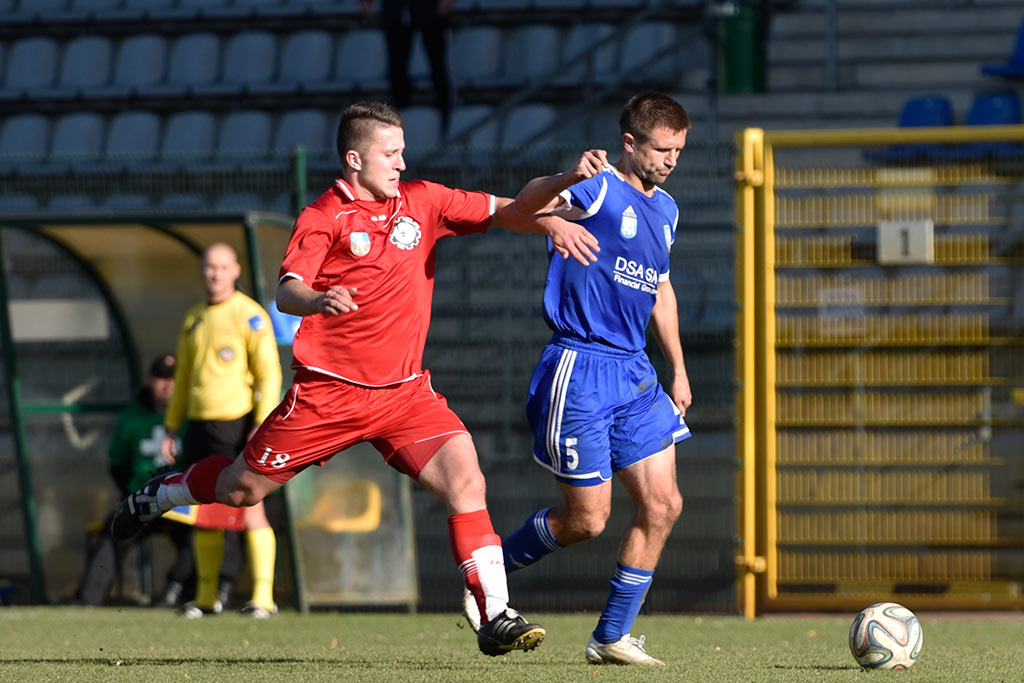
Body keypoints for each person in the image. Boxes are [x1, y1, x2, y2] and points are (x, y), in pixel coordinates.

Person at [113, 100, 602, 657]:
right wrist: (319, 298)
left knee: (467, 481)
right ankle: (164, 492)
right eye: (389, 153)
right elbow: (287, 289)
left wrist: (557, 208)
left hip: (405, 394)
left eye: (402, 151)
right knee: (240, 491)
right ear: (354, 158)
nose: (400, 162)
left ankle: (495, 613)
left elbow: (511, 208)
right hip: (328, 394)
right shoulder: (324, 216)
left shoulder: (425, 201)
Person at [462, 93, 693, 666]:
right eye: (662, 149)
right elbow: (527, 203)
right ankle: (488, 581)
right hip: (580, 367)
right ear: (630, 143)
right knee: (586, 521)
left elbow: (659, 287)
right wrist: (563, 187)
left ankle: (610, 637)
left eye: (679, 151)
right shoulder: (597, 188)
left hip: (636, 373)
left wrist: (679, 368)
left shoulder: (666, 209)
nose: (670, 160)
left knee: (663, 506)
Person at [160, 242, 284, 619]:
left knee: (252, 508)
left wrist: (262, 422)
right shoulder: (194, 318)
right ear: (202, 271)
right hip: (199, 424)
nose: (215, 274)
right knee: (204, 510)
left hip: (238, 423)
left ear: (235, 271)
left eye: (222, 267)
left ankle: (263, 598)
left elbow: (269, 371)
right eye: (209, 267)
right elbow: (183, 379)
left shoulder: (250, 315)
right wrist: (171, 426)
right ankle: (207, 597)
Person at [74, 354, 194, 608]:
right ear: (150, 380)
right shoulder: (132, 416)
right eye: (161, 377)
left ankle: (181, 592)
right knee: (114, 532)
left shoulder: (193, 412)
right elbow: (117, 461)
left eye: (173, 378)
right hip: (146, 497)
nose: (167, 384)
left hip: (185, 499)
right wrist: (131, 492)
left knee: (200, 538)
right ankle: (89, 599)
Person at [362, 0, 456, 133]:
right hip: (396, 9)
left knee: (437, 66)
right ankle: (399, 121)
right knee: (396, 68)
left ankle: (445, 120)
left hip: (429, 8)